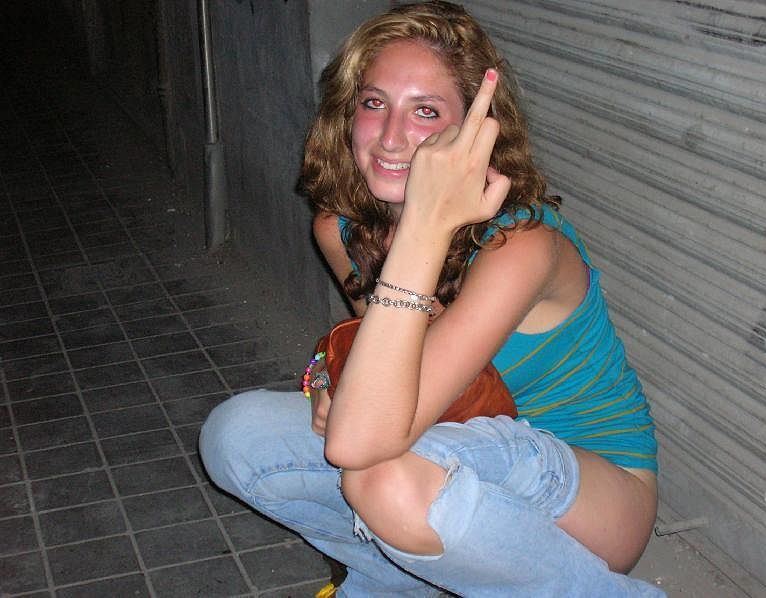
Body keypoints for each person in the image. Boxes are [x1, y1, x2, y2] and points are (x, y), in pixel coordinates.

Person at [200, 1, 664, 595]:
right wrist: (325, 383)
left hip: (587, 492)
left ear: (475, 132)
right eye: (374, 103)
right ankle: (400, 582)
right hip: (456, 439)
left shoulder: (521, 246)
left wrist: (425, 223)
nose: (392, 137)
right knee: (236, 437)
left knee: (380, 478)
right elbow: (386, 351)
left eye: (425, 111)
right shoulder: (339, 229)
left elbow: (363, 441)